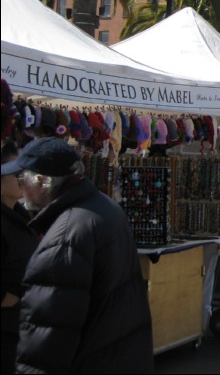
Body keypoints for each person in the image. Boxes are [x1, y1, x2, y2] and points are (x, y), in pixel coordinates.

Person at [2, 136, 153, 373]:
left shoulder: (67, 234)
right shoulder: (102, 208)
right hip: (117, 356)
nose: (21, 188)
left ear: (42, 181)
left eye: (23, 179)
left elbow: (50, 333)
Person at [1, 142, 38, 375]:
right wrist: (9, 299)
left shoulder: (21, 216)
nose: (23, 180)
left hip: (20, 329)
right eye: (17, 175)